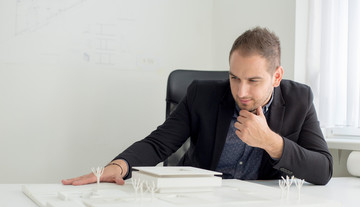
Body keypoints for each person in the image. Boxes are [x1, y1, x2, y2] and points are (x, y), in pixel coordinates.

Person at [62, 27, 333, 186]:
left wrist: (271, 142)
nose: (241, 91)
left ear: (276, 77)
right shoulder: (202, 94)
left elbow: (323, 170)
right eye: (234, 77)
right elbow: (159, 144)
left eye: (253, 80)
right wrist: (119, 166)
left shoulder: (299, 99)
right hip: (199, 200)